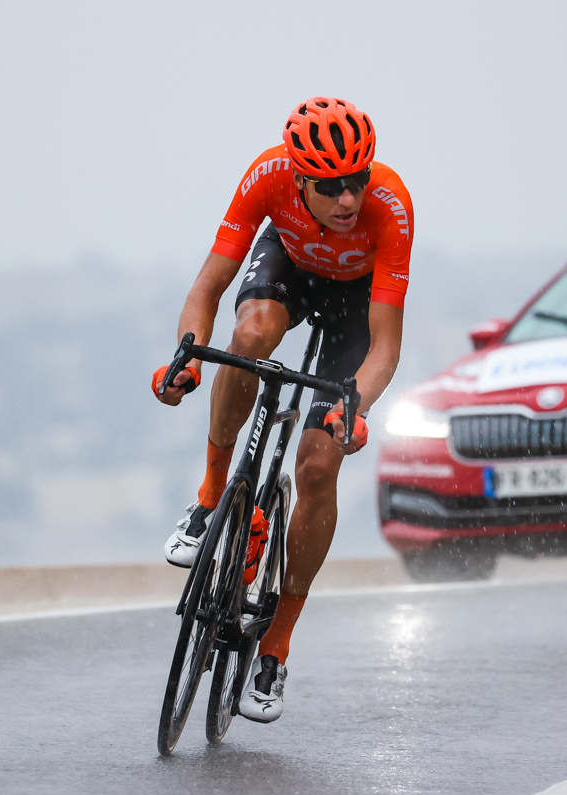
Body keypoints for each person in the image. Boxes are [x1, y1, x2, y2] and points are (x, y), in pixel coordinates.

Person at [151, 97, 413, 722]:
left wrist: (354, 408)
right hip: (291, 265)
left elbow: (384, 347)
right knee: (247, 338)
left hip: (357, 305)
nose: (349, 199)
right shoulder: (267, 177)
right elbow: (208, 286)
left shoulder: (390, 206)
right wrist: (186, 356)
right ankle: (213, 493)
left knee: (319, 467)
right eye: (331, 187)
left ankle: (276, 645)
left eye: (357, 180)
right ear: (299, 179)